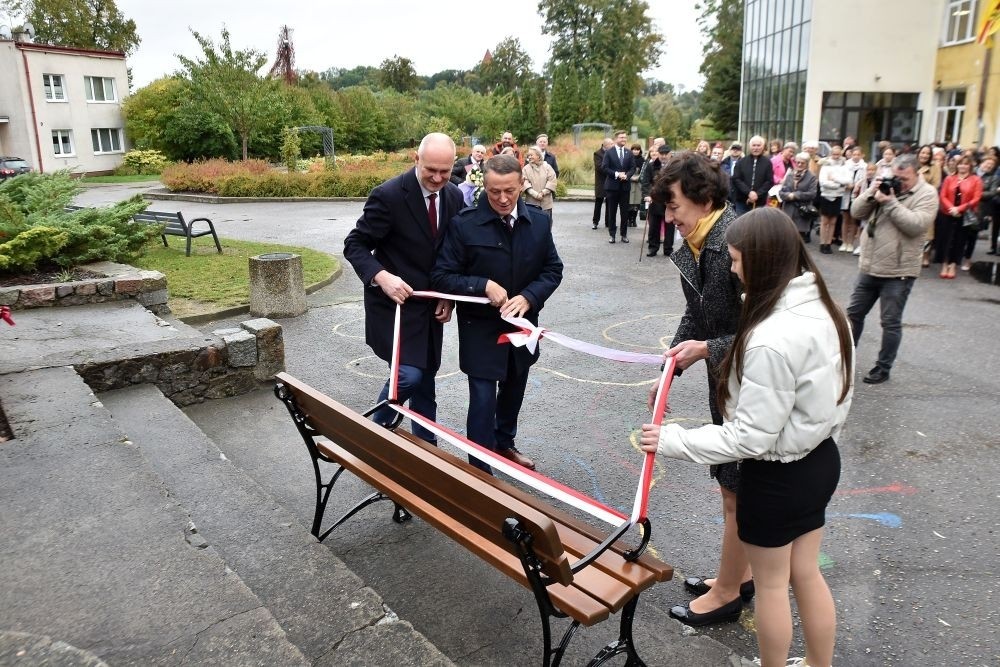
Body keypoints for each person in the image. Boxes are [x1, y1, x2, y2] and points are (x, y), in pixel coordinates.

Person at [639, 207, 854, 667]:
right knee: (806, 575)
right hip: (820, 460)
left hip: (777, 476)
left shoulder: (770, 337)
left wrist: (673, 440)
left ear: (762, 261)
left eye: (736, 261)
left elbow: (750, 438)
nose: (732, 270)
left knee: (773, 585)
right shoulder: (827, 308)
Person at [647, 152, 748, 627]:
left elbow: (765, 331)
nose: (670, 218)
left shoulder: (735, 241)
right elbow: (697, 313)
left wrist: (709, 349)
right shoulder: (702, 239)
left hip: (749, 384)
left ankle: (729, 591)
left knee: (737, 488)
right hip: (726, 377)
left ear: (705, 199)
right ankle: (738, 575)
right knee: (732, 486)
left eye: (674, 207)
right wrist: (669, 369)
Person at [431, 154, 563, 473]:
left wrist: (529, 298)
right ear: (484, 187)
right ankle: (479, 468)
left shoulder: (539, 221)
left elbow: (552, 269)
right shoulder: (464, 224)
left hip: (522, 327)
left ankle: (504, 445)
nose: (502, 199)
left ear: (522, 185)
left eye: (510, 191)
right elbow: (443, 275)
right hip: (481, 329)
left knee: (514, 390)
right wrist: (483, 285)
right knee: (482, 399)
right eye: (494, 192)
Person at [343, 133, 465, 441]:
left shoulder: (453, 197)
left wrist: (448, 299)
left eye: (445, 171)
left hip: (429, 310)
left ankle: (427, 451)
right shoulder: (389, 195)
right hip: (393, 307)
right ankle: (372, 433)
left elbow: (453, 255)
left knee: (426, 381)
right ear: (416, 159)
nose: (437, 178)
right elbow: (355, 245)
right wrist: (382, 276)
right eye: (430, 170)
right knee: (408, 375)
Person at [848, 153, 938, 384]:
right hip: (869, 266)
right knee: (853, 315)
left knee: (890, 322)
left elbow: (915, 226)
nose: (899, 183)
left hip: (898, 271)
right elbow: (856, 213)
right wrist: (871, 192)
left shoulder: (926, 194)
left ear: (917, 173)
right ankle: (845, 359)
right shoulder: (884, 188)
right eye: (895, 177)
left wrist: (890, 202)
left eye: (904, 179)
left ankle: (883, 367)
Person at [935, 155, 983, 278]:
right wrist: (951, 208)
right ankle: (944, 264)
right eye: (961, 163)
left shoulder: (976, 180)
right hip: (947, 213)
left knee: (959, 240)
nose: (963, 166)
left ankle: (953, 265)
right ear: (957, 165)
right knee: (946, 239)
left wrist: (959, 208)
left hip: (964, 214)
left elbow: (976, 198)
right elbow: (943, 195)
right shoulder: (949, 178)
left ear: (970, 166)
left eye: (966, 164)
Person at [602, 130, 637, 243]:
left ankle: (624, 234)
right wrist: (617, 174)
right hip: (612, 187)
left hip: (625, 187)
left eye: (625, 137)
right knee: (612, 212)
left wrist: (627, 175)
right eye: (621, 137)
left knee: (624, 213)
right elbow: (605, 167)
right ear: (616, 139)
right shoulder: (609, 152)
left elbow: (633, 168)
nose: (624, 139)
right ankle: (612, 235)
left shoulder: (629, 152)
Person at [641, 143, 674, 257]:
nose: (664, 156)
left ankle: (668, 249)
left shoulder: (676, 166)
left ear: (670, 154)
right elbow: (645, 182)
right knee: (654, 226)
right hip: (655, 199)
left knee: (670, 225)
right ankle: (653, 248)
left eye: (666, 154)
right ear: (658, 154)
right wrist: (647, 195)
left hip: (670, 200)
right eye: (662, 154)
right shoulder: (651, 166)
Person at [817, 145, 851, 254]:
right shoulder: (825, 165)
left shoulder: (844, 166)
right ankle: (822, 243)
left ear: (841, 154)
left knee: (833, 221)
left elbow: (848, 180)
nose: (836, 156)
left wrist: (835, 179)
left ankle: (828, 243)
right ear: (831, 154)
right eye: (834, 154)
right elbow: (823, 182)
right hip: (826, 195)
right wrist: (838, 185)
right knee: (824, 221)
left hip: (838, 196)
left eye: (838, 154)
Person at [780, 152, 819, 242]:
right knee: (786, 239)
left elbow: (812, 194)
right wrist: (787, 195)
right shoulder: (790, 175)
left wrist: (795, 195)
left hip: (802, 211)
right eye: (798, 162)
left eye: (802, 163)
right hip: (788, 210)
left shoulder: (811, 177)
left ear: (807, 163)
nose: (800, 164)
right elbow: (782, 192)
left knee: (798, 240)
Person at [732, 135, 775, 216]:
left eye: (758, 145)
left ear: (763, 147)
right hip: (742, 201)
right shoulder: (741, 162)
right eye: (754, 145)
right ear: (749, 146)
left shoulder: (767, 163)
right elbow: (736, 179)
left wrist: (757, 194)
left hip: (760, 202)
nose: (756, 148)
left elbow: (769, 181)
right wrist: (749, 193)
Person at [521, 145, 558, 220]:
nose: (530, 157)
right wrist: (535, 194)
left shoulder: (547, 167)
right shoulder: (525, 169)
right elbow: (524, 182)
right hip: (531, 203)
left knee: (546, 224)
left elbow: (552, 180)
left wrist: (543, 192)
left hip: (546, 203)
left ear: (538, 156)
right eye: (529, 155)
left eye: (531, 155)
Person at [593, 137, 613, 229]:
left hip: (611, 181)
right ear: (606, 145)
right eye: (611, 144)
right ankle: (595, 222)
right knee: (599, 202)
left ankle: (608, 222)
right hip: (601, 182)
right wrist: (612, 171)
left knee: (609, 203)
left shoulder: (613, 153)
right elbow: (599, 167)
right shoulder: (597, 153)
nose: (613, 145)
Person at [627, 143, 645, 227]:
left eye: (637, 149)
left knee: (636, 203)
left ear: (640, 150)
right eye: (634, 149)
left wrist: (638, 178)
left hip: (638, 184)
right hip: (629, 182)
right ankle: (628, 219)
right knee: (629, 202)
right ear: (631, 150)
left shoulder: (642, 160)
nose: (636, 151)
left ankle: (633, 220)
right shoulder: (628, 158)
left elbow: (644, 172)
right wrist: (630, 177)